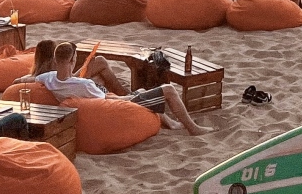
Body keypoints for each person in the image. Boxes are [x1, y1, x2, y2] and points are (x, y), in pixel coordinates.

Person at [37, 42, 210, 134]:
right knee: (168, 90)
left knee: (142, 91)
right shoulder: (84, 85)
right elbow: (109, 100)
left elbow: (27, 78)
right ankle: (193, 128)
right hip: (117, 104)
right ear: (73, 60)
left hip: (97, 98)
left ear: (55, 61)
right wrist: (133, 96)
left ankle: (171, 123)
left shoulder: (48, 78)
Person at [17, 39, 128, 95]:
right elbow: (68, 80)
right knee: (100, 62)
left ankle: (122, 92)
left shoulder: (38, 77)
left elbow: (17, 82)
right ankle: (124, 93)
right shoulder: (49, 76)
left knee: (98, 70)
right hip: (72, 83)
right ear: (53, 58)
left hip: (70, 82)